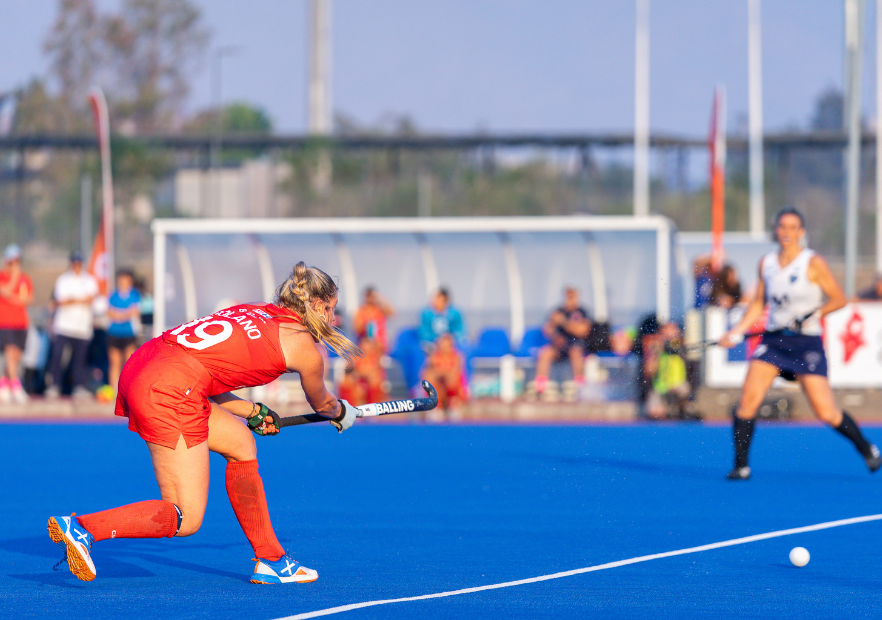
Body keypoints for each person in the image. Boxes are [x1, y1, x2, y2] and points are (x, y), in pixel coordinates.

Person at [47, 261, 361, 584]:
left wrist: (252, 411)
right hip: (170, 388)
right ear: (317, 306)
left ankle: (270, 559)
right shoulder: (305, 349)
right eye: (331, 309)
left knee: (241, 444)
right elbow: (323, 404)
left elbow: (204, 372)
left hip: (148, 363)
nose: (333, 319)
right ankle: (83, 528)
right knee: (185, 516)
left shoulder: (253, 310)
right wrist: (342, 413)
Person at [718, 207, 880, 480]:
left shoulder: (812, 262)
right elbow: (759, 303)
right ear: (776, 230)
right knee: (747, 402)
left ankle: (866, 447)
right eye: (782, 227)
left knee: (826, 412)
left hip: (806, 344)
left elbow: (838, 299)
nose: (787, 232)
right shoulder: (766, 263)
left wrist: (812, 314)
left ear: (801, 232)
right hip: (774, 340)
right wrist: (736, 331)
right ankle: (741, 466)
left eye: (793, 228)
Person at [46, 251, 99, 398]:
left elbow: (91, 299)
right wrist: (80, 300)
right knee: (57, 357)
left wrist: (72, 300)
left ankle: (78, 386)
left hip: (82, 327)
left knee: (79, 359)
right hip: (63, 325)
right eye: (74, 262)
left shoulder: (89, 280)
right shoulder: (63, 280)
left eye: (79, 263)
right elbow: (61, 300)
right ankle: (55, 385)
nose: (76, 265)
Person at [534, 287, 592, 394]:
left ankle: (580, 384)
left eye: (572, 297)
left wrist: (563, 322)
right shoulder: (558, 311)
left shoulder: (582, 312)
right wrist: (554, 334)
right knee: (545, 353)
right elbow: (547, 330)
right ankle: (540, 385)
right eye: (568, 297)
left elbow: (583, 331)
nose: (570, 300)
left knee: (576, 353)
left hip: (575, 346)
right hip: (558, 346)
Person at [0, 244, 33, 404]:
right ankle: (16, 386)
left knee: (16, 356)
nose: (15, 264)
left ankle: (4, 384)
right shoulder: (2, 276)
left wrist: (14, 299)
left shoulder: (25, 278)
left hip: (21, 323)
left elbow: (27, 299)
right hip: (5, 322)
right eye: (12, 261)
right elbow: (5, 291)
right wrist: (14, 276)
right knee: (10, 352)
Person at [106, 269, 142, 390]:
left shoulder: (134, 295)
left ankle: (128, 389)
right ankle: (113, 390)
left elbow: (135, 312)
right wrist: (124, 314)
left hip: (129, 333)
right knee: (115, 363)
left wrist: (119, 314)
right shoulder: (113, 295)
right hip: (114, 333)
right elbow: (110, 313)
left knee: (129, 363)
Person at [422, 332, 467, 417]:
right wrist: (440, 373)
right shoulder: (433, 357)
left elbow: (453, 375)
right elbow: (428, 375)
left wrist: (442, 372)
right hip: (440, 386)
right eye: (442, 344)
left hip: (453, 388)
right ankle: (435, 404)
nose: (444, 347)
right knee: (429, 376)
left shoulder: (456, 357)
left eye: (447, 345)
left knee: (450, 378)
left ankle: (452, 402)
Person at [353, 286, 395, 352]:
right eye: (368, 295)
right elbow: (356, 328)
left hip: (380, 346)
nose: (370, 298)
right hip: (365, 346)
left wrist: (381, 298)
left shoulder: (380, 309)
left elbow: (392, 313)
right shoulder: (361, 311)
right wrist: (366, 325)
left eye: (372, 295)